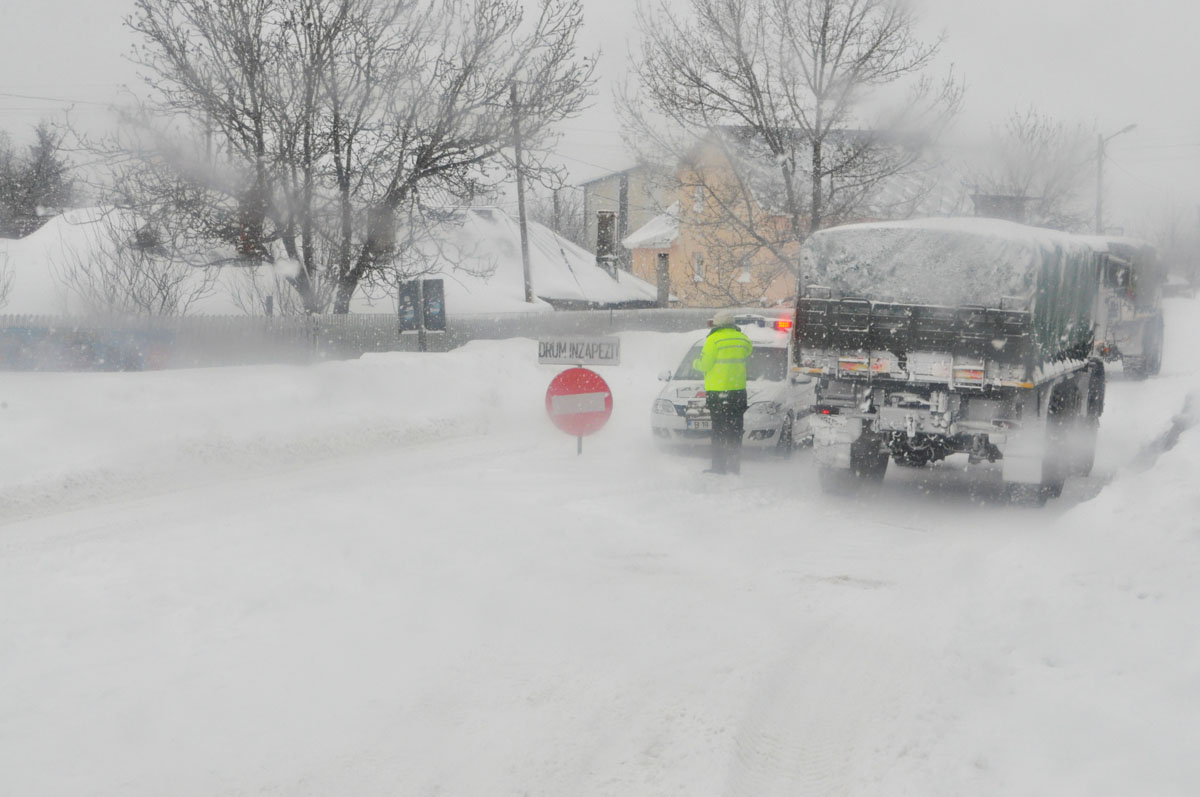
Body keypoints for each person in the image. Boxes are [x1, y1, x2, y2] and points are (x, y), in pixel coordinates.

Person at [692, 310, 753, 474]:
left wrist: (696, 363)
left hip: (718, 392)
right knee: (735, 429)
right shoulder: (742, 338)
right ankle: (734, 466)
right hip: (738, 392)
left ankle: (718, 466)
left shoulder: (713, 339)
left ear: (717, 324)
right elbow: (748, 351)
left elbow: (705, 365)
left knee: (718, 429)